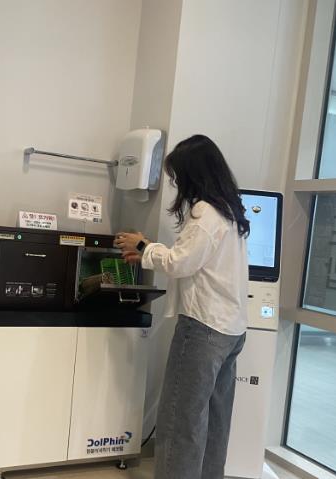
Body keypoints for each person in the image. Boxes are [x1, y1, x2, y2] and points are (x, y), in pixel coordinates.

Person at [114, 135, 249, 479]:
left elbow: (180, 262)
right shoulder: (230, 211)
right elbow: (195, 261)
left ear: (193, 174)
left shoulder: (205, 212)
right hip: (231, 330)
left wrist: (143, 245)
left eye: (177, 177)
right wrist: (147, 253)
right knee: (215, 419)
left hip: (203, 329)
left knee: (181, 419)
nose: (176, 184)